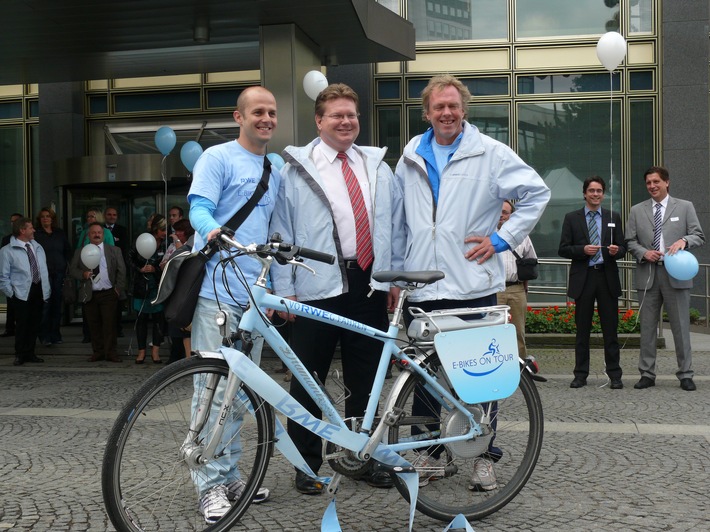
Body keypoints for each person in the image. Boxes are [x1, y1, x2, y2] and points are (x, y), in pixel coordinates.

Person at [393, 74, 549, 490]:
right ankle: (428, 455)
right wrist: (394, 273)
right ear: (426, 112)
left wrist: (501, 239)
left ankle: (483, 456)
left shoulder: (492, 153)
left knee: (480, 375)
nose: (446, 113)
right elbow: (397, 221)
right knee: (423, 378)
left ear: (464, 109)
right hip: (421, 286)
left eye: (453, 106)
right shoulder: (409, 155)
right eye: (438, 107)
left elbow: (537, 193)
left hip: (471, 285)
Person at [270, 83, 401, 495]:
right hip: (314, 282)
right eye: (337, 116)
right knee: (308, 376)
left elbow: (393, 228)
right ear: (319, 121)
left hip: (368, 283)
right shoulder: (296, 169)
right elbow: (281, 230)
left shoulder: (378, 166)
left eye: (352, 115)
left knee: (368, 377)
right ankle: (306, 463)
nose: (346, 122)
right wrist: (284, 288)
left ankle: (360, 457)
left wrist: (393, 278)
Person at [188, 85, 279, 523]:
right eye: (258, 111)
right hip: (216, 292)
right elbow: (199, 208)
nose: (266, 118)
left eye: (272, 112)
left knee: (242, 393)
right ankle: (208, 484)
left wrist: (276, 285)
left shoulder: (273, 169)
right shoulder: (217, 158)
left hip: (255, 298)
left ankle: (231, 473)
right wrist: (212, 231)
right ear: (239, 117)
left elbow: (271, 232)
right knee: (212, 390)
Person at [625, 166, 705, 391]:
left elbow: (699, 235)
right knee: (647, 328)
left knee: (681, 326)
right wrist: (643, 253)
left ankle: (686, 374)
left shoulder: (685, 206)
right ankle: (647, 374)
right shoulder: (636, 210)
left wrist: (684, 241)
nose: (652, 186)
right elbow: (629, 241)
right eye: (649, 183)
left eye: (656, 182)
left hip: (677, 274)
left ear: (666, 182)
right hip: (648, 273)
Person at [558, 176, 625, 389]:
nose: (595, 194)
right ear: (585, 193)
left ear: (603, 194)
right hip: (584, 278)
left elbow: (623, 248)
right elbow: (563, 248)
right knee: (582, 330)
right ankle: (580, 374)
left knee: (610, 330)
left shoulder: (613, 216)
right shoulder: (572, 218)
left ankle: (615, 375)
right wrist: (582, 250)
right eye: (591, 191)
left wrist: (617, 251)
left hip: (607, 278)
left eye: (599, 191)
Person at [69, 222, 126, 362]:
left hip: (109, 293)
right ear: (89, 235)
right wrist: (83, 274)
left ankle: (111, 353)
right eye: (93, 232)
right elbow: (72, 270)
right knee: (93, 325)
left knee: (109, 325)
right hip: (89, 294)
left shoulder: (114, 250)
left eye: (99, 232)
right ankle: (98, 352)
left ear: (103, 235)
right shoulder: (80, 251)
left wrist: (118, 289)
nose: (96, 235)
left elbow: (122, 270)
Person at [0, 217, 50, 366]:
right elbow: (3, 276)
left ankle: (30, 352)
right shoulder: (7, 251)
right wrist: (11, 293)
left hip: (38, 289)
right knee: (22, 324)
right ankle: (20, 354)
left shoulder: (37, 246)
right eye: (31, 228)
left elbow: (43, 269)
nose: (34, 230)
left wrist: (46, 289)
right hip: (21, 293)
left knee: (35, 323)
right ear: (22, 230)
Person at [496, 200, 537, 358]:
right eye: (499, 212)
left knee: (518, 332)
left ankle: (521, 370)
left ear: (511, 215)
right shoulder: (487, 236)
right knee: (494, 332)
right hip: (494, 290)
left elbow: (531, 260)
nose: (501, 216)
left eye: (505, 213)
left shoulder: (521, 235)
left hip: (516, 289)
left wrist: (524, 287)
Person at [129, 214, 167, 364]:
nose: (165, 232)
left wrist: (155, 269)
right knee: (141, 320)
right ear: (156, 229)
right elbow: (130, 259)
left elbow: (168, 265)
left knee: (159, 320)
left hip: (157, 287)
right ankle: (141, 352)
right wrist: (140, 268)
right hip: (141, 286)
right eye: (163, 229)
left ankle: (155, 352)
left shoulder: (166, 244)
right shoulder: (142, 240)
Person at [34, 208, 72, 346]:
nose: (45, 218)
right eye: (43, 216)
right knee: (45, 305)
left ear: (52, 219)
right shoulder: (36, 234)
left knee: (56, 305)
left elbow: (67, 250)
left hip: (59, 273)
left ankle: (55, 334)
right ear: (40, 219)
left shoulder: (59, 233)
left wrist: (67, 265)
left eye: (48, 216)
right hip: (44, 274)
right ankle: (44, 336)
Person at [162, 218, 195, 364]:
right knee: (179, 328)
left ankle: (189, 359)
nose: (175, 234)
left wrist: (177, 242)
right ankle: (184, 359)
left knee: (187, 328)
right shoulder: (173, 246)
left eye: (178, 231)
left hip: (186, 290)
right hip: (177, 290)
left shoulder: (191, 245)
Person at [104, 207, 129, 337]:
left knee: (118, 300)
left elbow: (125, 250)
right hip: (103, 269)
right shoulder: (100, 229)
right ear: (104, 216)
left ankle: (118, 329)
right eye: (109, 214)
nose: (112, 217)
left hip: (118, 269)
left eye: (114, 215)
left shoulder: (122, 230)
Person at [1, 212, 24, 338]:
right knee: (10, 303)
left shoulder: (29, 239)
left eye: (16, 221)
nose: (13, 223)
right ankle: (10, 328)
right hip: (10, 275)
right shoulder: (6, 239)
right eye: (11, 221)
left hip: (23, 276)